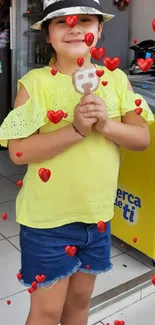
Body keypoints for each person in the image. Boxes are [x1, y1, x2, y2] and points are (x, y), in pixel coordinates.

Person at [0, 0, 154, 324]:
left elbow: (142, 139)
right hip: (47, 224)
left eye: (85, 19)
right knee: (46, 311)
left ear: (99, 30)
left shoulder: (116, 81)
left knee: (80, 304)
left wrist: (107, 125)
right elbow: (18, 151)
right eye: (62, 22)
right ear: (48, 36)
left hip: (97, 219)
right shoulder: (35, 85)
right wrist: (76, 130)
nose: (74, 27)